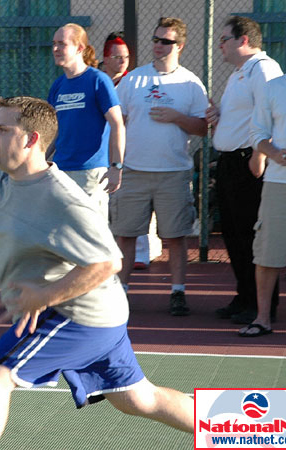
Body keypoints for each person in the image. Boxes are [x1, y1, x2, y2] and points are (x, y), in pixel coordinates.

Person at [0, 61, 194, 450]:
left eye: (3, 130)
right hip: (101, 315)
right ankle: (255, 427)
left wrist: (43, 296)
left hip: (80, 316)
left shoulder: (64, 200)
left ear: (31, 139)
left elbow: (108, 262)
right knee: (140, 399)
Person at [113, 17, 208, 315]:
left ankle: (177, 292)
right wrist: (115, 162)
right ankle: (120, 293)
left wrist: (176, 117)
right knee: (126, 234)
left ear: (179, 45)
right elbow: (117, 122)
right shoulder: (133, 80)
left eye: (165, 41)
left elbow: (203, 128)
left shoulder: (190, 83)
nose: (157, 45)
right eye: (155, 39)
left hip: (173, 173)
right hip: (134, 171)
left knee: (176, 237)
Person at [205, 16, 282, 325]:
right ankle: (244, 296)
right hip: (229, 163)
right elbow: (246, 114)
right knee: (234, 236)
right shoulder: (239, 73)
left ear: (244, 40)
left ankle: (261, 305)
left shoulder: (263, 69)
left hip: (248, 163)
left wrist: (260, 156)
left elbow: (274, 115)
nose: (220, 44)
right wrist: (219, 115)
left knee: (252, 236)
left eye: (224, 38)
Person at [241, 23, 286, 337]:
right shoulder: (276, 87)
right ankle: (262, 318)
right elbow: (257, 132)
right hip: (279, 183)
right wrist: (273, 151)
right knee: (268, 255)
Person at [48, 24, 125, 217]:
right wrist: (40, 161)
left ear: (80, 48)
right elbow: (54, 131)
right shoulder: (58, 85)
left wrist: (116, 167)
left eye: (62, 44)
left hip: (91, 175)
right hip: (60, 171)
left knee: (91, 237)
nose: (56, 49)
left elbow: (117, 124)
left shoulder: (98, 80)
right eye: (54, 43)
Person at [99, 31, 162, 269]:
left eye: (125, 56)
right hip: (103, 150)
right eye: (116, 56)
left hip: (131, 152)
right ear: (105, 58)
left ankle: (143, 252)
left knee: (137, 205)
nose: (122, 61)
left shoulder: (134, 81)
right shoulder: (98, 80)